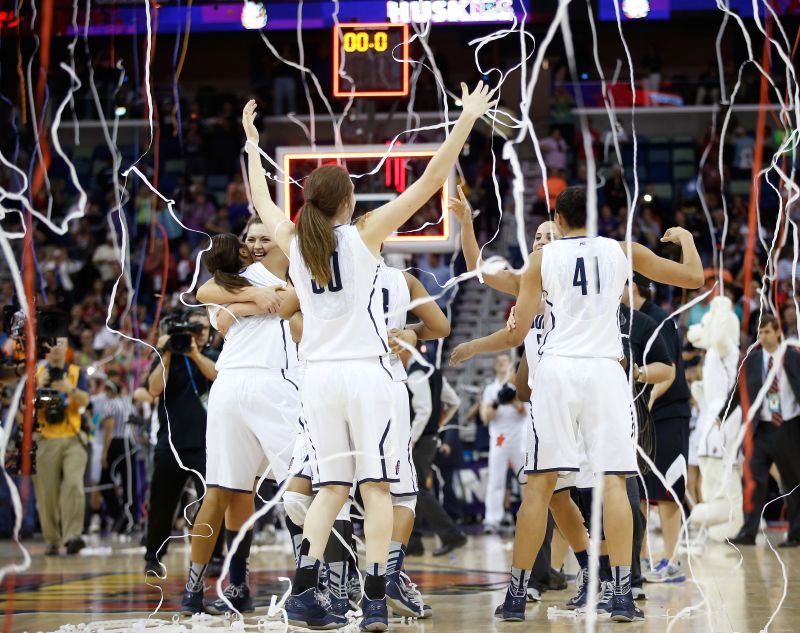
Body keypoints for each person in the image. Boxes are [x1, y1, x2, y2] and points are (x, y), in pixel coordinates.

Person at [242, 81, 494, 630]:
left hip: (319, 380)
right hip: (367, 376)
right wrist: (468, 117)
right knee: (377, 488)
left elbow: (263, 200)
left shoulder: (295, 241)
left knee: (331, 489)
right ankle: (376, 597)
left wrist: (250, 140)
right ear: (348, 201)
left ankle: (306, 592)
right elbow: (430, 179)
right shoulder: (362, 236)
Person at [450, 186, 703, 623]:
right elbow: (694, 279)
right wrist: (688, 240)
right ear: (593, 217)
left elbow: (512, 328)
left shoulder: (542, 260)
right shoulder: (622, 250)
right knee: (613, 484)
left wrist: (469, 227)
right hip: (604, 371)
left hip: (558, 373)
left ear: (558, 220)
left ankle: (515, 596)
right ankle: (622, 592)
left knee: (540, 488)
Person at [179, 232, 297, 615]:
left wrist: (249, 300)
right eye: (250, 239)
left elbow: (209, 295)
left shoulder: (234, 282)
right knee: (300, 486)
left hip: (230, 386)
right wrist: (256, 298)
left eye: (264, 237)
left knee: (222, 492)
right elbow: (205, 292)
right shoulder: (250, 277)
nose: (257, 244)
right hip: (270, 382)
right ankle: (316, 584)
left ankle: (195, 593)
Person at [143, 309, 223, 575]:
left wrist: (193, 354)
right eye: (193, 328)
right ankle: (153, 556)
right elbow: (154, 389)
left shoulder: (213, 357)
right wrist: (166, 352)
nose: (198, 333)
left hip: (207, 444)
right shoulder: (167, 359)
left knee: (213, 501)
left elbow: (216, 376)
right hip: (170, 444)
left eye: (202, 328)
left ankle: (214, 557)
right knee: (162, 505)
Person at [625, 274, 692, 582]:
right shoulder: (625, 320)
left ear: (632, 287)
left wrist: (647, 403)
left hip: (667, 414)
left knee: (667, 490)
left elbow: (669, 372)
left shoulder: (658, 319)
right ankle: (638, 560)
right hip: (640, 415)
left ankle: (671, 559)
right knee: (638, 491)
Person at [726, 315, 800, 548]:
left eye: (767, 332)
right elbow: (737, 391)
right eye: (760, 333)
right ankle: (748, 532)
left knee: (792, 483)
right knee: (752, 480)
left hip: (788, 428)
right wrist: (722, 415)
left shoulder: (792, 357)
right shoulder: (752, 360)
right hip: (761, 429)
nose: (763, 337)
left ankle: (796, 534)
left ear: (778, 332)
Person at [32, 337, 91, 555]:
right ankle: (52, 539)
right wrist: (40, 387)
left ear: (66, 348)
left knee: (74, 484)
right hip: (45, 437)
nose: (56, 348)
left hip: (73, 436)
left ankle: (72, 537)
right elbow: (26, 406)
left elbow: (85, 400)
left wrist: (69, 389)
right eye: (52, 343)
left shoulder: (76, 372)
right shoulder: (37, 373)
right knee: (47, 492)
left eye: (61, 343)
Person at [406, 350, 466, 557]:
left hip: (419, 441)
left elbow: (423, 409)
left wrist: (411, 438)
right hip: (429, 439)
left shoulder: (415, 374)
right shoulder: (434, 371)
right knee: (413, 491)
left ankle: (451, 534)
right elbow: (454, 401)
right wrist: (440, 422)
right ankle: (414, 542)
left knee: (419, 490)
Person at [480, 354, 527, 534]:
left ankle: (526, 520)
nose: (501, 364)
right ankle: (492, 519)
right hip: (499, 439)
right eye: (498, 361)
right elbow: (485, 417)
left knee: (525, 481)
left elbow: (524, 411)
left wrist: (512, 399)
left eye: (505, 361)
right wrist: (498, 401)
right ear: (494, 366)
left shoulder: (520, 387)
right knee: (496, 481)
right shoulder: (491, 389)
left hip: (519, 440)